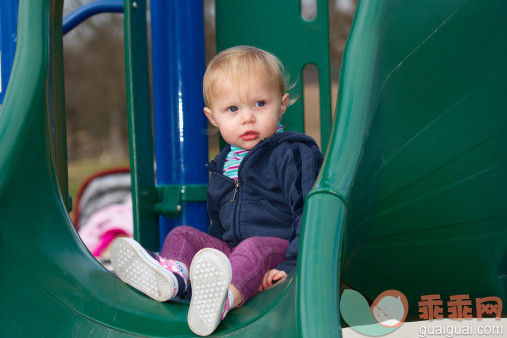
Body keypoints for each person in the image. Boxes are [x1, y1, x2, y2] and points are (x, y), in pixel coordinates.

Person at [110, 45, 324, 336]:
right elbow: (218, 225)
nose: (247, 117)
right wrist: (208, 259)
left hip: (277, 248)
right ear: (213, 117)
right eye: (233, 109)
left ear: (282, 104)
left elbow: (310, 212)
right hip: (235, 253)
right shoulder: (223, 165)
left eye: (260, 104)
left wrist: (293, 263)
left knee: (251, 249)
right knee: (182, 234)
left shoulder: (292, 153)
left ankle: (223, 298)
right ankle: (176, 280)